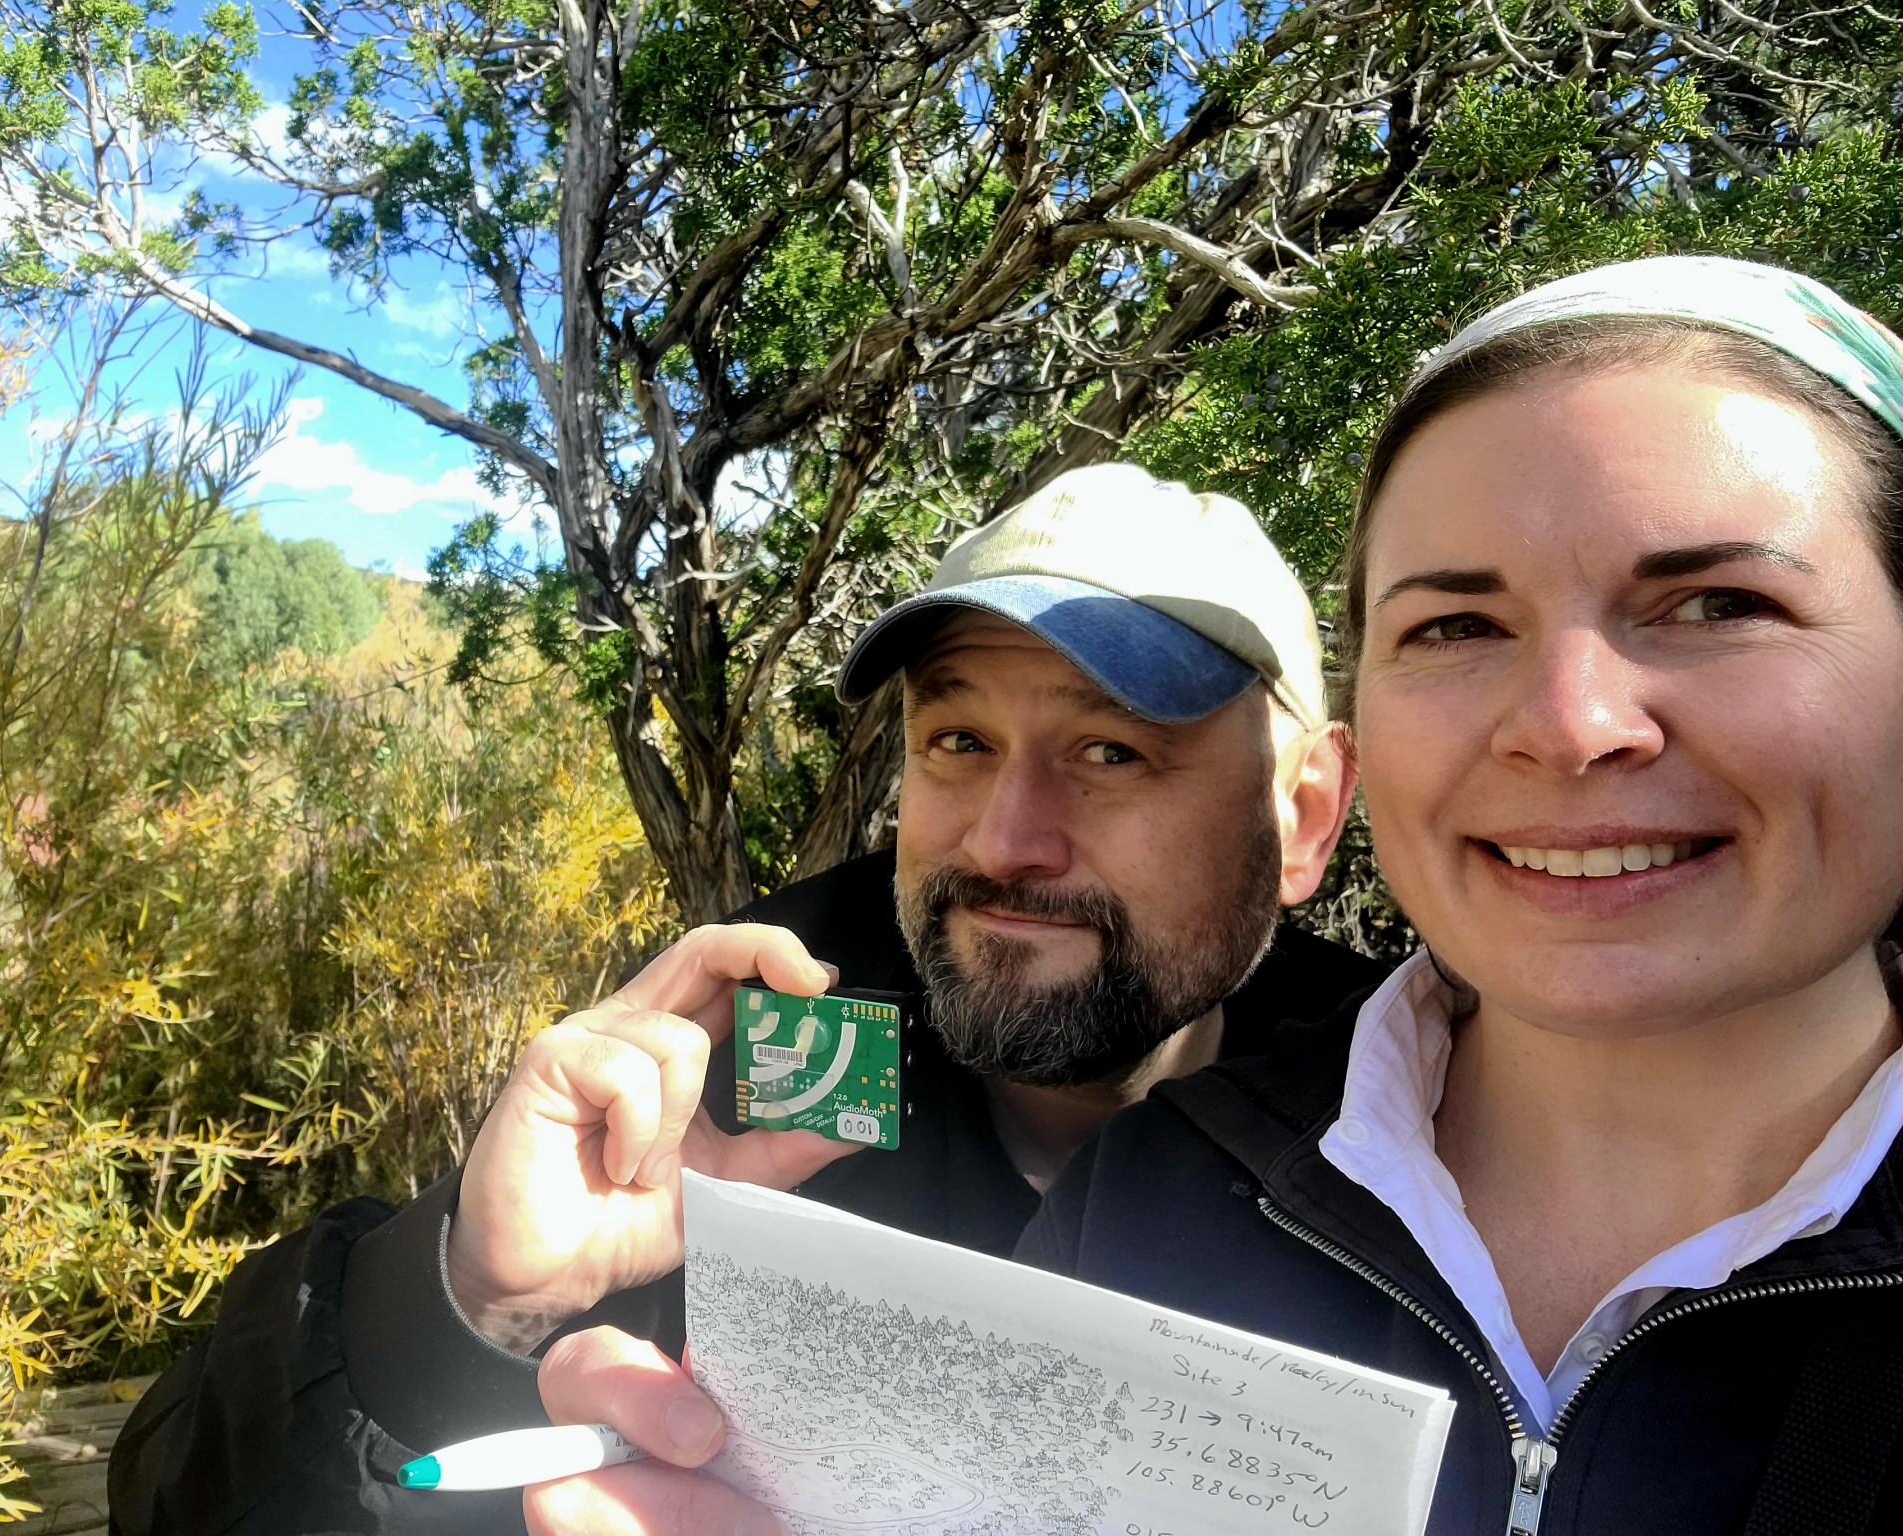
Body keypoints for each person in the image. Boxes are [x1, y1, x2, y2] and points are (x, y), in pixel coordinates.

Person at [526, 256, 1903, 1536]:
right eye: (1457, 626)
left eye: (1721, 604)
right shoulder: (821, 1041)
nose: (1570, 720)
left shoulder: (1235, 1132)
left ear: (1310, 811)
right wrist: (485, 1301)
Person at [108, 464, 1383, 1535]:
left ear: (1301, 816)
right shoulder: (755, 1064)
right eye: (957, 741)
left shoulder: (1429, 1139)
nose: (1005, 839)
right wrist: (464, 1305)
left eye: (1109, 752)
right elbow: (172, 1500)